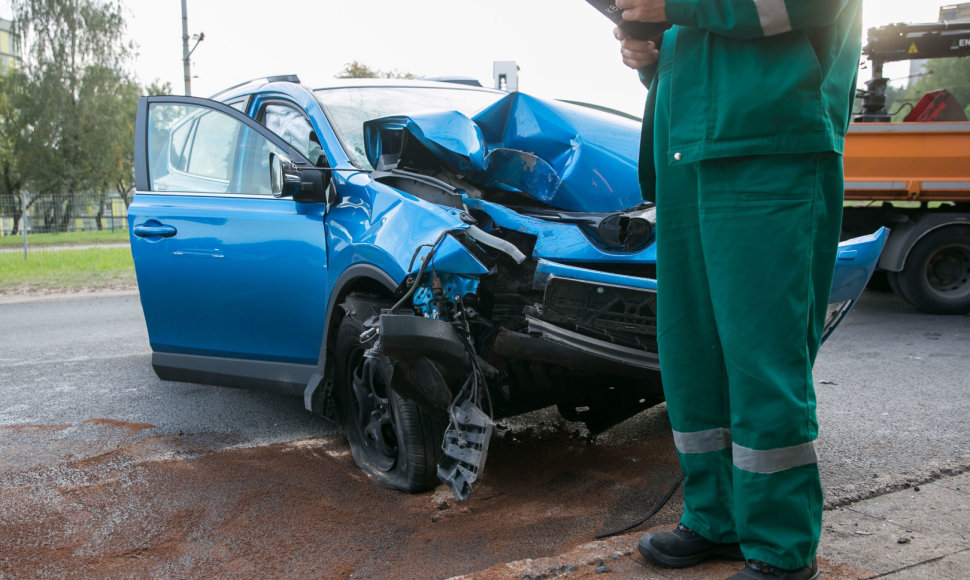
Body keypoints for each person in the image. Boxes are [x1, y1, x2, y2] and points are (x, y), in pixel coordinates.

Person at [614, 1, 863, 579]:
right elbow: (707, 45)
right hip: (689, 152)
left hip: (770, 143)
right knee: (693, 351)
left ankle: (781, 545)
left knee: (761, 354)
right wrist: (652, 53)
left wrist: (674, 5)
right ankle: (714, 516)